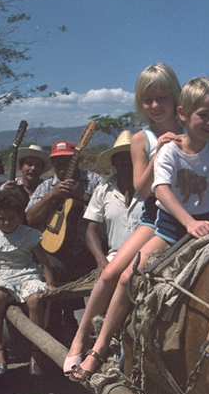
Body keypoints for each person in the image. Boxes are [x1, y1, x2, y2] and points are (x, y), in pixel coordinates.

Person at [72, 77, 209, 380]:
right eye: (204, 115)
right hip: (169, 224)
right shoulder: (166, 148)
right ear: (185, 113)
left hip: (204, 221)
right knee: (124, 277)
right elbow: (158, 190)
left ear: (175, 102)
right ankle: (98, 346)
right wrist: (189, 222)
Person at [64, 63, 183, 376]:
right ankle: (84, 341)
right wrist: (161, 152)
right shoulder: (142, 139)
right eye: (148, 100)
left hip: (190, 215)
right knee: (113, 274)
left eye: (162, 98)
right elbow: (142, 189)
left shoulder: (190, 130)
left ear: (175, 97)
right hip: (157, 217)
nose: (155, 105)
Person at [0, 188, 54, 376]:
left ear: (20, 216)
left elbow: (44, 261)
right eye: (2, 219)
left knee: (35, 300)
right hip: (3, 274)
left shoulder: (29, 234)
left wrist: (50, 283)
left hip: (27, 273)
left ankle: (36, 351)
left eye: (11, 218)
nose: (7, 223)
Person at [24, 140, 103, 283]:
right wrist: (51, 196)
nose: (61, 165)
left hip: (89, 248)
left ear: (76, 161)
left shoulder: (95, 180)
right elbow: (29, 219)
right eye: (57, 161)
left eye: (67, 160)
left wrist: (83, 196)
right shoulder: (46, 186)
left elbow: (108, 211)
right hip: (54, 250)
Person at [83, 130, 144, 270]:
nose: (126, 165)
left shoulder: (150, 189)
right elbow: (91, 230)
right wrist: (101, 259)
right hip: (115, 257)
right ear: (114, 163)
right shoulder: (103, 190)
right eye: (121, 161)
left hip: (149, 254)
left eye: (130, 160)